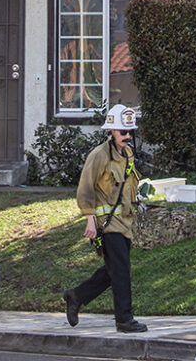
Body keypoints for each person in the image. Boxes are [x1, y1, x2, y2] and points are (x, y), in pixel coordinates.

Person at [63, 104, 147, 333]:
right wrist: (90, 220)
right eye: (123, 132)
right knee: (121, 271)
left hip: (125, 223)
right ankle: (124, 319)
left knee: (113, 270)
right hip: (107, 225)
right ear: (111, 130)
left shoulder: (127, 154)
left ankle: (76, 295)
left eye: (130, 132)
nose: (127, 136)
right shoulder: (99, 155)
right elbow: (85, 189)